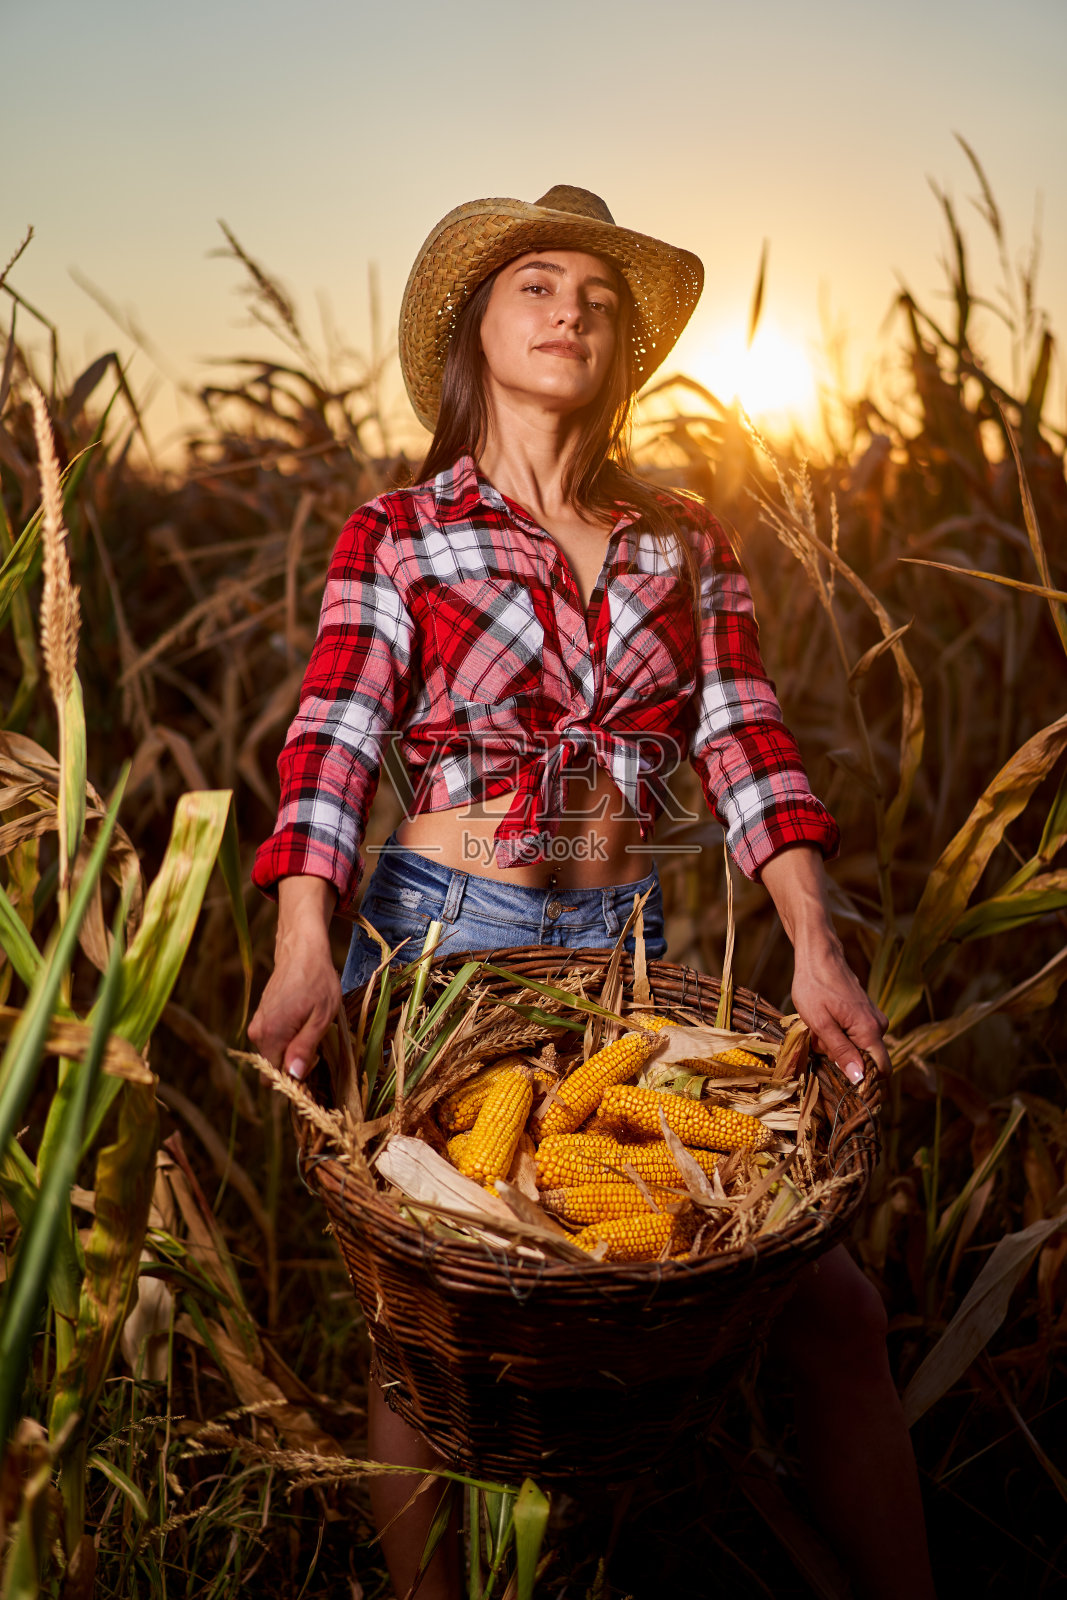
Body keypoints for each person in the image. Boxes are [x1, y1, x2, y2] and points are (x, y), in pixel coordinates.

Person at [249, 186, 935, 1599]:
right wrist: (305, 945)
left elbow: (746, 743)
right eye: (537, 286)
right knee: (437, 1326)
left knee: (829, 1309)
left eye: (600, 299)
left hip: (627, 950)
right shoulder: (400, 533)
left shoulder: (685, 539)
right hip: (447, 943)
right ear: (475, 334)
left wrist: (815, 945)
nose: (574, 310)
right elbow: (333, 747)